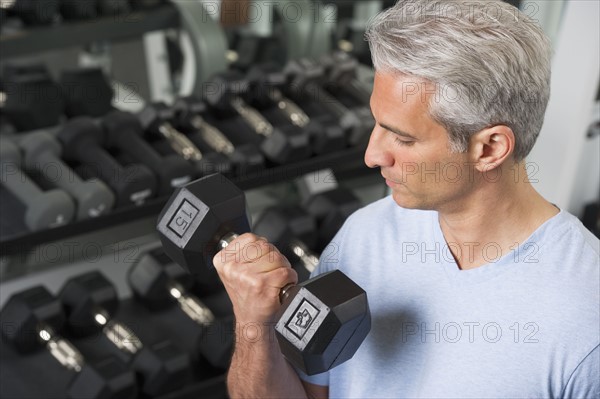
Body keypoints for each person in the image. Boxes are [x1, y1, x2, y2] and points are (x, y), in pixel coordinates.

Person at [213, 0, 600, 397]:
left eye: (402, 137)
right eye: (376, 126)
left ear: (489, 149)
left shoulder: (585, 317)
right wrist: (253, 324)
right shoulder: (365, 235)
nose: (372, 155)